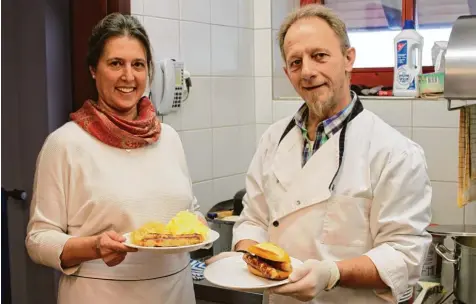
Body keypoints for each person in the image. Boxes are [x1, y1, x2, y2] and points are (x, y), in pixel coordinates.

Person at [206, 4, 432, 304]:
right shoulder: (273, 139)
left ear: (348, 58)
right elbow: (254, 219)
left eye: (320, 56)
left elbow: (404, 255)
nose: (308, 71)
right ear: (288, 73)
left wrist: (331, 274)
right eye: (296, 62)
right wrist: (244, 258)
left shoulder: (394, 152)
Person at [25, 13, 200, 304]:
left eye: (138, 65)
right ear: (94, 69)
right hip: (102, 294)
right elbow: (38, 239)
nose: (128, 77)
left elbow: (189, 210)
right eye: (116, 63)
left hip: (176, 293)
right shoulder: (66, 143)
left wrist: (196, 226)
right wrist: (94, 247)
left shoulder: (168, 138)